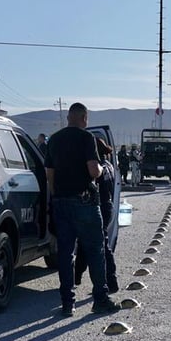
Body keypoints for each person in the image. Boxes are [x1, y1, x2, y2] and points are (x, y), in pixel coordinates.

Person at [45, 103, 120, 317]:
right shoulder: (87, 138)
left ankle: (67, 303)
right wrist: (100, 170)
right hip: (85, 201)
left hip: (61, 202)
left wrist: (55, 195)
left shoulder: (55, 139)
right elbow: (93, 171)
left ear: (68, 117)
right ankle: (100, 299)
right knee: (96, 250)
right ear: (84, 118)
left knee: (66, 253)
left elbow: (49, 173)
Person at [74, 137, 119, 294]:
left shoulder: (98, 168)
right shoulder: (110, 166)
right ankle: (78, 276)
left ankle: (110, 281)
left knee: (98, 246)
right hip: (108, 206)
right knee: (94, 243)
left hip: (98, 207)